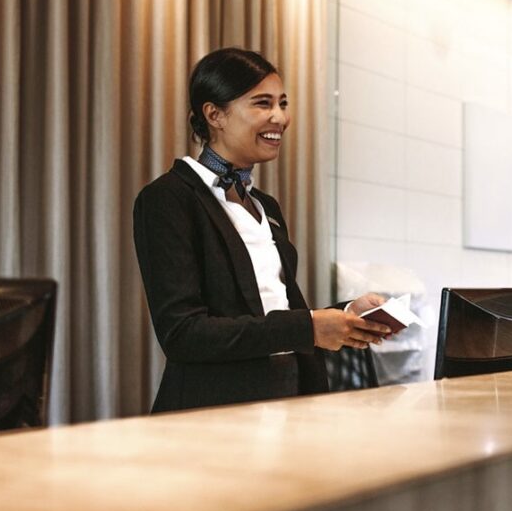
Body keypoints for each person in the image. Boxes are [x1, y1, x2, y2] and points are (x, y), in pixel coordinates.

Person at [134, 47, 391, 412]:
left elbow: (273, 310)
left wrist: (347, 314)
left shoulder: (264, 206)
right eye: (262, 103)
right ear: (214, 114)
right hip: (213, 414)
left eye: (283, 103)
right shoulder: (168, 199)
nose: (280, 117)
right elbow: (183, 334)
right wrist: (310, 327)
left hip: (290, 401)